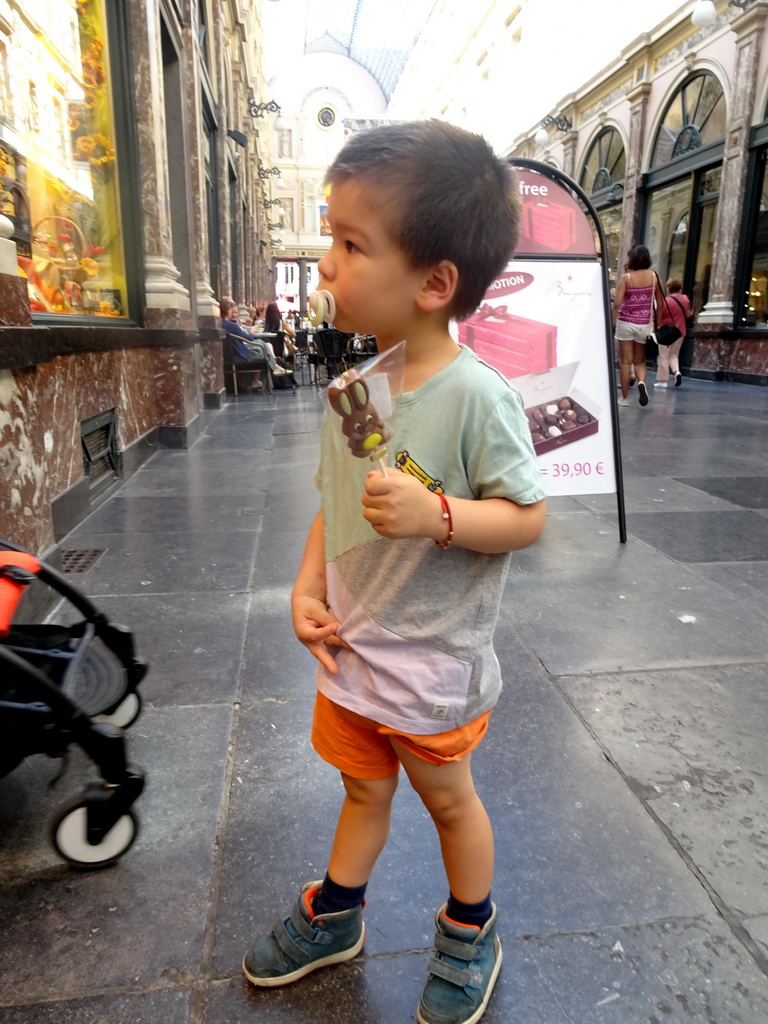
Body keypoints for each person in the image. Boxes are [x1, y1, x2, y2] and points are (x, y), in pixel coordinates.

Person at [242, 120, 547, 1024]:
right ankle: (337, 912)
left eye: (348, 243)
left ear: (433, 283)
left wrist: (440, 515)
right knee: (363, 787)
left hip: (432, 660)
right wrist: (306, 591)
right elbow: (337, 507)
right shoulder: (357, 392)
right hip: (354, 653)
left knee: (450, 802)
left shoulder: (478, 398)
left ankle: (469, 925)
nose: (326, 264)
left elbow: (526, 517)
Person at [611, 246, 665, 408]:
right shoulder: (655, 278)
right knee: (640, 361)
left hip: (626, 323)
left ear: (632, 259)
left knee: (626, 362)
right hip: (644, 325)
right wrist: (658, 324)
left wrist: (610, 321)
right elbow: (661, 304)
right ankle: (641, 382)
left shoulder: (626, 278)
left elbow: (618, 304)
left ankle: (625, 398)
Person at [219, 298, 274, 393]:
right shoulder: (231, 325)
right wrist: (252, 331)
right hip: (240, 356)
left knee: (262, 345)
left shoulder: (220, 324)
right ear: (227, 310)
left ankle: (273, 366)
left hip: (228, 357)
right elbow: (248, 338)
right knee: (262, 347)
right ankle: (273, 368)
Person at [654, 278, 691, 388]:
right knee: (674, 355)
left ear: (669, 288)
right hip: (680, 331)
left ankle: (663, 381)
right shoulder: (685, 299)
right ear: (679, 288)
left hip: (665, 332)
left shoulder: (665, 302)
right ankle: (676, 372)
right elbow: (688, 315)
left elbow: (659, 317)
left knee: (663, 356)